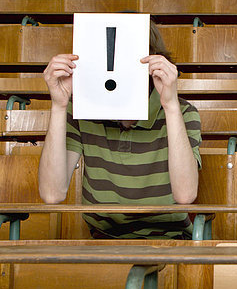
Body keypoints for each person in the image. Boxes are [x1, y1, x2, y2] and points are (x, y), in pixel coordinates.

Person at [38, 21, 201, 239]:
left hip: (169, 240)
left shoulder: (183, 112)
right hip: (103, 242)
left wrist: (170, 106)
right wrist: (59, 106)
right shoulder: (82, 111)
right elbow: (51, 194)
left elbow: (185, 195)